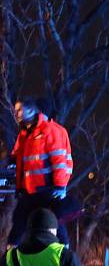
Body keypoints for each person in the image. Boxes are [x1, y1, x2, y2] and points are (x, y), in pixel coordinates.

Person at [8, 97, 74, 246]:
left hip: (47, 190)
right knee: (18, 225)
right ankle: (11, 261)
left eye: (20, 109)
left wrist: (60, 187)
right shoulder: (24, 134)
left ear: (31, 110)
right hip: (28, 191)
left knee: (53, 225)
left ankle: (64, 259)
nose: (16, 112)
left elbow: (59, 162)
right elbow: (18, 159)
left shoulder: (49, 131)